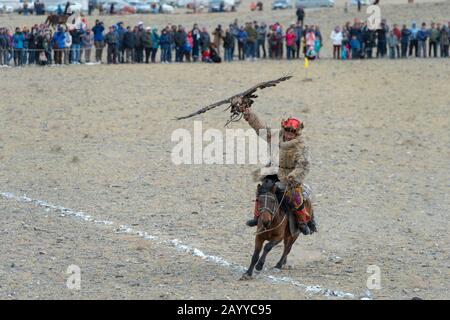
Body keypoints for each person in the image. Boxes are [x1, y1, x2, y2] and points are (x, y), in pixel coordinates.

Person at [238, 103, 316, 235]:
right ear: (283, 129)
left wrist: (294, 176)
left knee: (296, 197)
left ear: (296, 134)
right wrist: (248, 114)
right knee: (262, 190)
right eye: (287, 131)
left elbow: (304, 165)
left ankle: (302, 221)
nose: (288, 135)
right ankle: (257, 216)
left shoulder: (301, 147)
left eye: (292, 133)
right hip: (273, 170)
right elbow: (260, 129)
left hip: (290, 176)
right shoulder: (275, 137)